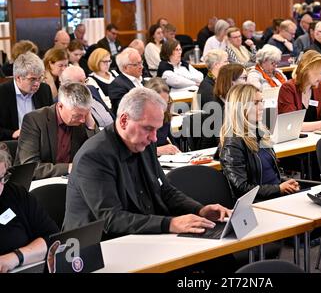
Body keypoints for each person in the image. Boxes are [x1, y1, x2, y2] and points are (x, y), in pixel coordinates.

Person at [63, 87, 230, 238]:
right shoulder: (94, 157)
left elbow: (165, 190)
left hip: (139, 234)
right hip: (97, 246)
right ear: (123, 121)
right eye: (148, 128)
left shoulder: (144, 143)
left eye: (156, 129)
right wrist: (170, 224)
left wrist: (199, 210)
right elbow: (110, 219)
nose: (155, 138)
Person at [219, 84, 300, 201]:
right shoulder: (233, 143)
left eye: (261, 101)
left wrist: (285, 184)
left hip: (275, 197)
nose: (262, 107)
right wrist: (278, 189)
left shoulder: (261, 134)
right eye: (256, 103)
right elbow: (241, 188)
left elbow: (269, 176)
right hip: (258, 204)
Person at [15, 83, 98, 180]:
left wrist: (91, 127)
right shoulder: (34, 120)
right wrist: (68, 168)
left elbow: (98, 157)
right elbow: (29, 168)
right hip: (38, 183)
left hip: (71, 182)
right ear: (60, 106)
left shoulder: (82, 121)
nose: (82, 120)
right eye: (77, 116)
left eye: (86, 114)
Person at [0, 148, 59, 273]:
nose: (0, 187)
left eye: (1, 178)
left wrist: (16, 257)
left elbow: (53, 238)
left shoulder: (15, 193)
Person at [278, 50, 321, 132]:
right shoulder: (288, 88)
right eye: (318, 73)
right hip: (294, 139)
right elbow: (292, 125)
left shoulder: (319, 86)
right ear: (306, 71)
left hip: (314, 137)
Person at [0, 52, 53, 141]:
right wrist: (13, 133)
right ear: (18, 78)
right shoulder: (2, 93)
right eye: (32, 79)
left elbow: (51, 120)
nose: (37, 84)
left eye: (40, 78)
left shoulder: (44, 90)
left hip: (39, 143)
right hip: (11, 144)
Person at [144, 78, 180, 156]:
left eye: (166, 103)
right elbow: (130, 152)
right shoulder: (137, 120)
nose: (163, 108)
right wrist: (157, 150)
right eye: (159, 103)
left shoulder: (165, 114)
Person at [109, 47, 144, 115]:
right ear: (125, 68)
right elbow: (125, 110)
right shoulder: (117, 85)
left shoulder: (140, 80)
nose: (141, 67)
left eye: (141, 62)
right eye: (136, 64)